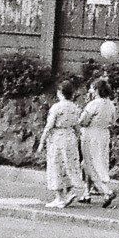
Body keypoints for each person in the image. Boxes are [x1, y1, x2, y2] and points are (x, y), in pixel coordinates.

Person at [38, 78, 87, 209]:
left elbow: (49, 125)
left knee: (56, 165)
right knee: (69, 164)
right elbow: (77, 126)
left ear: (60, 92)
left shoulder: (57, 107)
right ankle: (70, 191)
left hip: (58, 137)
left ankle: (59, 197)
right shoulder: (75, 108)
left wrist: (42, 141)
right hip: (70, 137)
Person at [78, 77, 118, 208]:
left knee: (88, 164)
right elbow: (113, 122)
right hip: (104, 135)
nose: (90, 91)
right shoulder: (111, 104)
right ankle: (86, 193)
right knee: (99, 161)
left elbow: (83, 121)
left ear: (96, 90)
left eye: (92, 88)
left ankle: (106, 191)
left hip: (91, 134)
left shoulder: (93, 104)